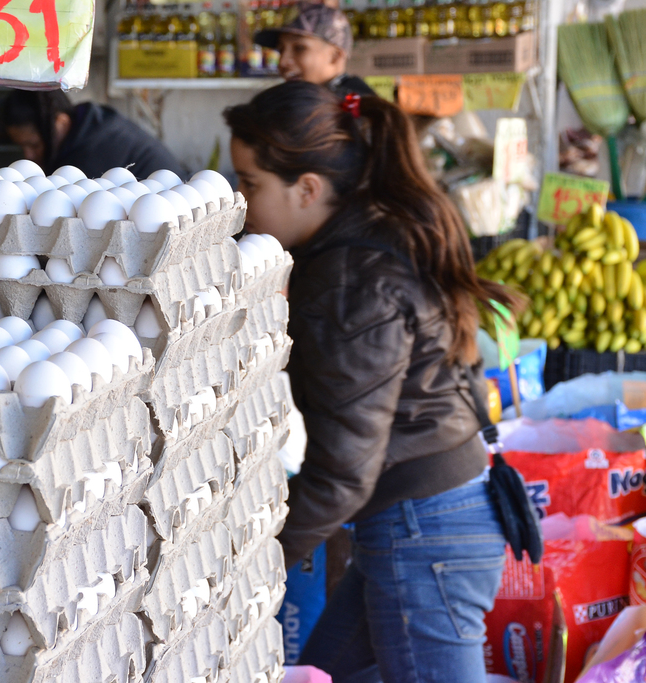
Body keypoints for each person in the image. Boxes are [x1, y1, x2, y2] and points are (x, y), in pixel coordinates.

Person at [224, 81, 523, 683]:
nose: (240, 203)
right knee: (322, 672)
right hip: (433, 515)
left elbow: (343, 471)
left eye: (251, 184)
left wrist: (251, 566)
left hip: (426, 532)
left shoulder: (349, 279)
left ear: (307, 189)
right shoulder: (373, 236)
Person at [3, 90, 185, 179]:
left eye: (34, 145)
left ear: (61, 123)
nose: (29, 156)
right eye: (22, 147)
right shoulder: (92, 123)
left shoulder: (92, 151)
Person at [254, 1, 374, 98]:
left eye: (299, 48)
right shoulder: (308, 104)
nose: (282, 62)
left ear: (335, 56)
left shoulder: (357, 111)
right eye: (280, 50)